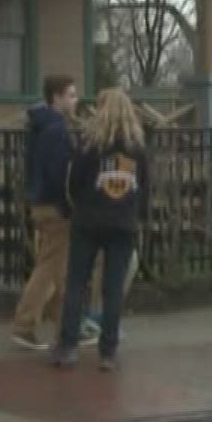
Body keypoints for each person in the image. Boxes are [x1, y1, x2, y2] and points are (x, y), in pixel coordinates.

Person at [52, 89, 150, 371]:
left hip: (89, 221)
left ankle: (68, 346)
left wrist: (75, 207)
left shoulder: (89, 145)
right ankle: (108, 351)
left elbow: (73, 182)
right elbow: (144, 186)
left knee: (76, 283)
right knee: (113, 288)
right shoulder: (137, 148)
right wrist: (137, 217)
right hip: (123, 223)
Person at [9, 75, 80, 351]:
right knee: (50, 266)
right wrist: (67, 203)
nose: (75, 101)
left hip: (41, 202)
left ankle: (65, 324)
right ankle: (24, 324)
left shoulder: (42, 126)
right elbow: (58, 173)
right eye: (71, 95)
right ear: (57, 97)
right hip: (54, 205)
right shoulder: (56, 129)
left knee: (59, 266)